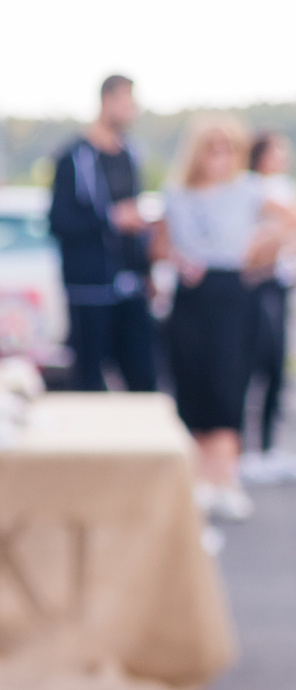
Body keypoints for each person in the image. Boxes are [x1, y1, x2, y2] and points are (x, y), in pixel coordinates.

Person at [159, 114, 294, 520]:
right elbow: (161, 243)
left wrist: (262, 251)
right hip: (191, 295)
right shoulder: (177, 193)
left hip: (234, 292)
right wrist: (177, 260)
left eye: (228, 148)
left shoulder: (249, 189)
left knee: (228, 382)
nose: (220, 157)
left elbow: (287, 220)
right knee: (192, 382)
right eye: (212, 147)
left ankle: (226, 477)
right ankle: (200, 479)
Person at [49, 75, 159, 393]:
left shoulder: (131, 154)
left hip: (131, 286)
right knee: (90, 380)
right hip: (90, 288)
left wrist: (148, 268)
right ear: (106, 101)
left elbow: (134, 213)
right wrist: (111, 218)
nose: (131, 110)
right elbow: (59, 221)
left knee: (144, 376)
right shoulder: (74, 156)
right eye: (126, 102)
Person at [243, 132, 294, 482]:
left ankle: (266, 446)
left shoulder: (281, 187)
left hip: (280, 283)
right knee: (258, 363)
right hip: (257, 284)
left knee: (276, 366)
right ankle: (248, 451)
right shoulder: (251, 189)